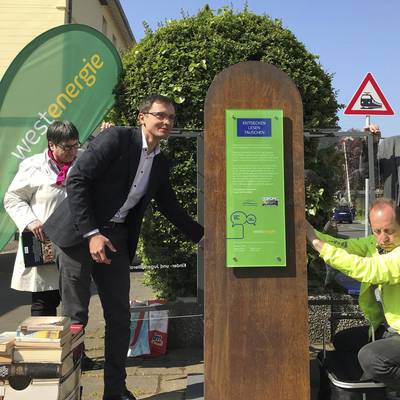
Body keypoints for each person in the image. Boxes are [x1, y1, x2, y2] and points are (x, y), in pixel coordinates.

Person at [43, 94, 204, 400]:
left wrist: (203, 238)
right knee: (76, 318)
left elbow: (170, 207)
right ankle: (65, 391)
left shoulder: (160, 162)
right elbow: (76, 180)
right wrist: (91, 233)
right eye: (160, 115)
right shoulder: (115, 139)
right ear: (142, 117)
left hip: (115, 239)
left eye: (171, 117)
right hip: (78, 234)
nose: (166, 122)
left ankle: (115, 391)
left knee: (119, 317)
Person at [306, 198, 400, 394]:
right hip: (389, 329)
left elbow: (369, 269)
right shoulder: (377, 244)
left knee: (371, 358)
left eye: (389, 231)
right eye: (377, 231)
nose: (382, 238)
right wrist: (306, 229)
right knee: (341, 340)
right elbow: (341, 245)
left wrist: (318, 246)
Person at [4, 120, 80, 316]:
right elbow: (13, 198)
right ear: (51, 145)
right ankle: (44, 346)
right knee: (43, 305)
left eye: (75, 145)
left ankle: (75, 347)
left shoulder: (84, 162)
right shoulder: (33, 165)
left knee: (76, 308)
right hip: (44, 243)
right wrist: (30, 221)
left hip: (75, 244)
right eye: (66, 147)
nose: (72, 151)